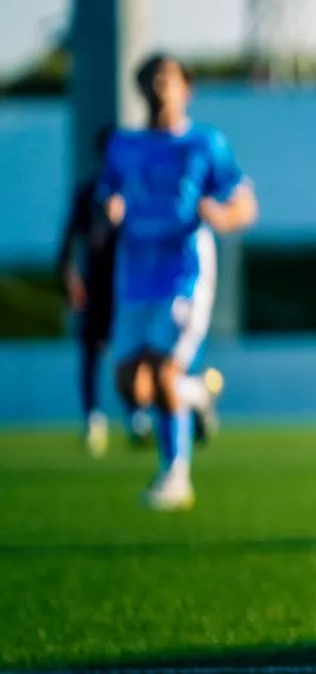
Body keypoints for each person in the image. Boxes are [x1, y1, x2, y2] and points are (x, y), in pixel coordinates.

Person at [97, 54, 258, 511]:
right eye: (151, 78)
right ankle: (198, 393)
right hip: (135, 274)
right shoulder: (122, 145)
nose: (160, 86)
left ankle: (175, 477)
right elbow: (106, 195)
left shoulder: (205, 143)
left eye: (168, 78)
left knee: (164, 371)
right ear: (140, 88)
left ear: (187, 89)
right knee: (132, 385)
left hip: (184, 271)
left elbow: (245, 203)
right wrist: (108, 212)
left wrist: (222, 215)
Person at [56, 126, 125, 456]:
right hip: (96, 287)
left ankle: (138, 416)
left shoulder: (135, 192)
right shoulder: (86, 194)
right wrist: (70, 279)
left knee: (130, 352)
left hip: (128, 288)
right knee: (90, 353)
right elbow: (68, 242)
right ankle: (93, 418)